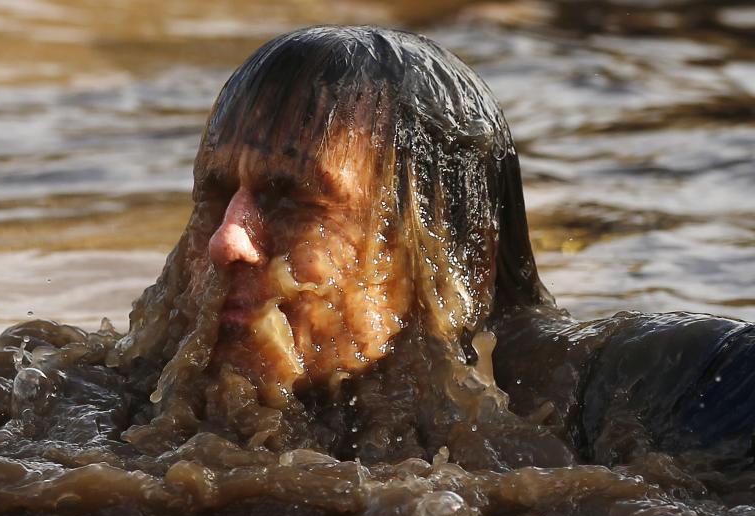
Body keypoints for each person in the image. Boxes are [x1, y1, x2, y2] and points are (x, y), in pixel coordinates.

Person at [104, 25, 755, 470]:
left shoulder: (621, 394)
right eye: (214, 197)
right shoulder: (145, 400)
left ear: (464, 254)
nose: (226, 242)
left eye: (293, 200)